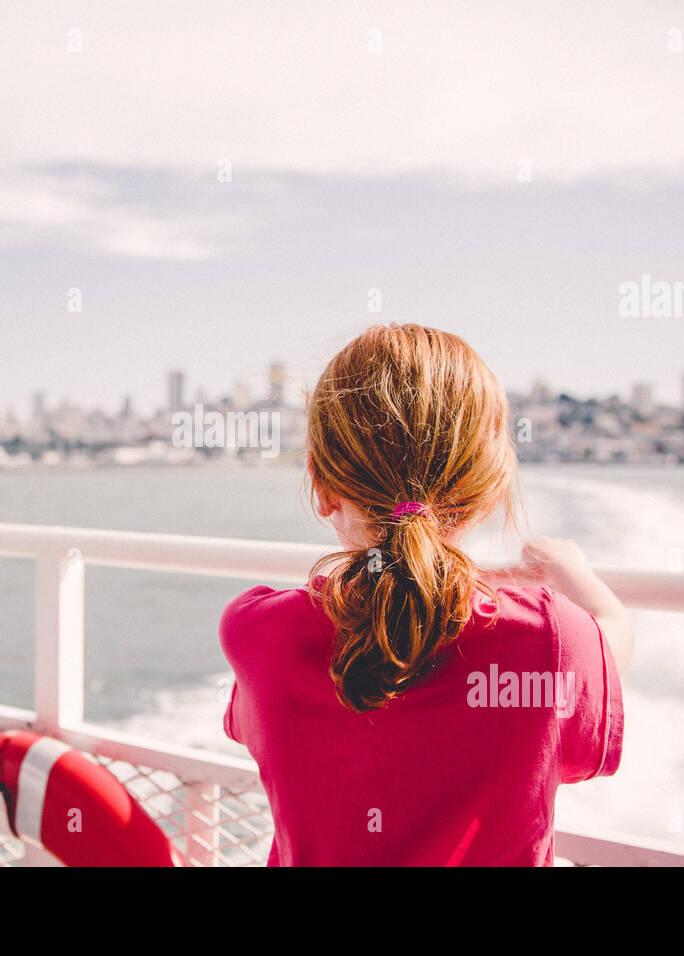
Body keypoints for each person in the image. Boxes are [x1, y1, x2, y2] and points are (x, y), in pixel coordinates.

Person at [219, 323, 633, 865]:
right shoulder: (551, 639)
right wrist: (576, 576)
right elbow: (609, 645)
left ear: (321, 487)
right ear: (489, 493)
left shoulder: (257, 633)